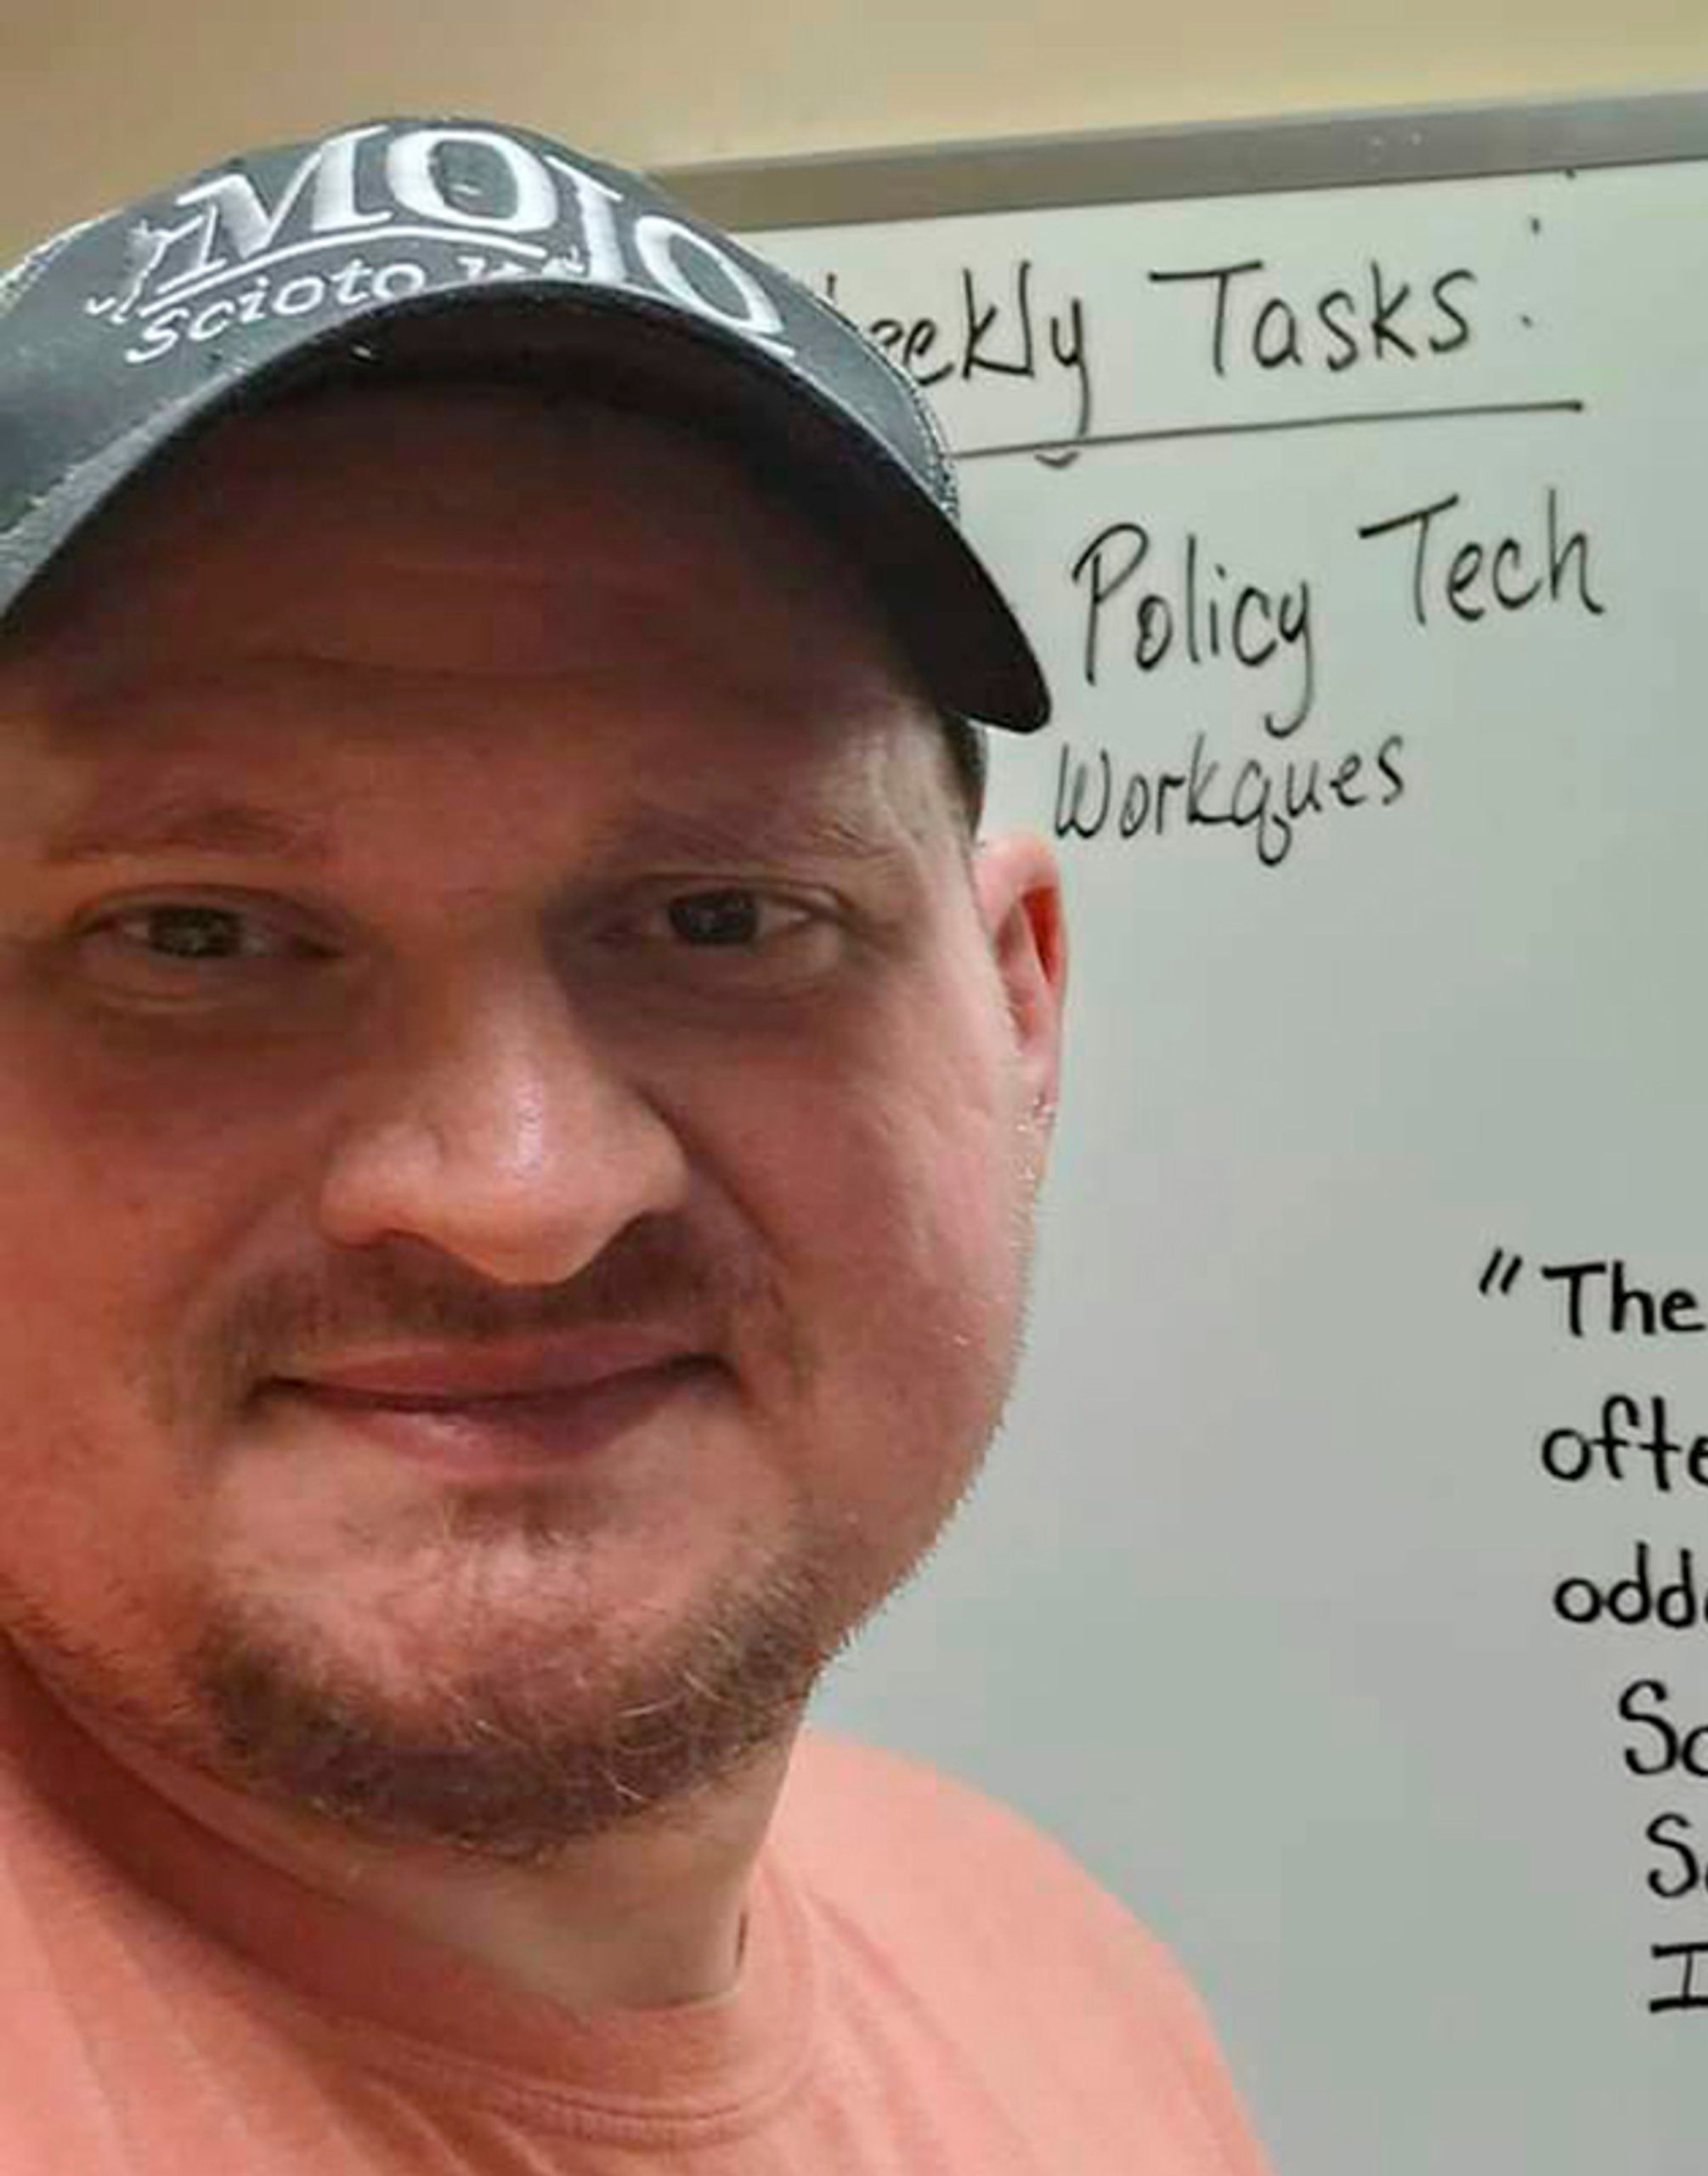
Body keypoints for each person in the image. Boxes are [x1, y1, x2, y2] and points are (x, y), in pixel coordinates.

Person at [0, 120, 1270, 2171]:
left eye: (722, 916)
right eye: (196, 937)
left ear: (1016, 1006)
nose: (518, 1193)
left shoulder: (1063, 1992)